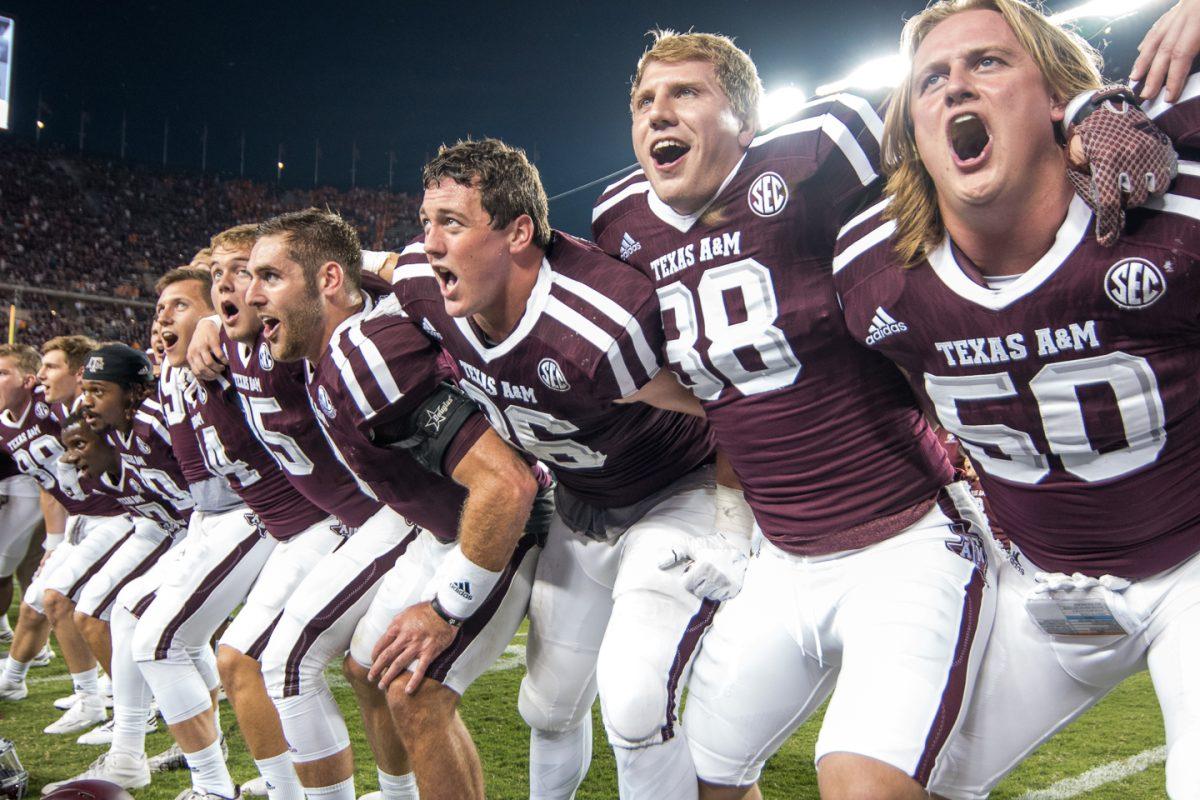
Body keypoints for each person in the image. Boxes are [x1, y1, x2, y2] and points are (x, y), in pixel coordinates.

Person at [592, 30, 994, 800]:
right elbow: (722, 381)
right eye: (644, 101)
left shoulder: (818, 149)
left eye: (686, 93)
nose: (657, 112)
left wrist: (1084, 116)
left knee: (865, 784)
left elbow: (973, 110)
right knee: (709, 774)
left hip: (904, 538)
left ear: (746, 119)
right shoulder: (621, 222)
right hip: (783, 561)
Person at [830, 1, 1200, 798]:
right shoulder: (874, 272)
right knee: (887, 782)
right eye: (931, 78)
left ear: (1061, 100)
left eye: (988, 63)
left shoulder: (1171, 207)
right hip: (1039, 581)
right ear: (913, 133)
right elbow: (909, 387)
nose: (956, 87)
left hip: (1193, 563)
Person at [391, 137, 726, 800]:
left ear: (519, 233)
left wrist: (740, 523)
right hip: (580, 500)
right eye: (426, 223)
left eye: (452, 224)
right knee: (547, 709)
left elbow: (727, 402)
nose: (429, 244)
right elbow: (376, 268)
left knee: (634, 704)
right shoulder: (421, 286)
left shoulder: (600, 323)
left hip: (671, 495)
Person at [246, 207, 548, 800]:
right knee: (370, 666)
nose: (254, 295)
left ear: (329, 280)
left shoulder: (365, 355)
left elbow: (505, 483)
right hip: (435, 525)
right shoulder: (333, 342)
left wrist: (446, 608)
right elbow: (386, 267)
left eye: (269, 277)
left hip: (496, 527)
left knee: (418, 691)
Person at [189, 224, 417, 800]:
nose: (233, 287)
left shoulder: (305, 334)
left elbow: (379, 278)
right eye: (218, 275)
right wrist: (208, 325)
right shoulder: (230, 343)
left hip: (384, 514)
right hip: (345, 519)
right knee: (356, 671)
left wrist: (366, 261)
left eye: (254, 272)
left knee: (321, 667)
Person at [0, 336, 128, 737]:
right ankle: (23, 680)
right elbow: (48, 483)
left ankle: (111, 698)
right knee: (40, 602)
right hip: (82, 517)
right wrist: (58, 538)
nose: (43, 376)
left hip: (115, 516)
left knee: (68, 603)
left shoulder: (59, 408)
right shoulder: (11, 421)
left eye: (50, 368)